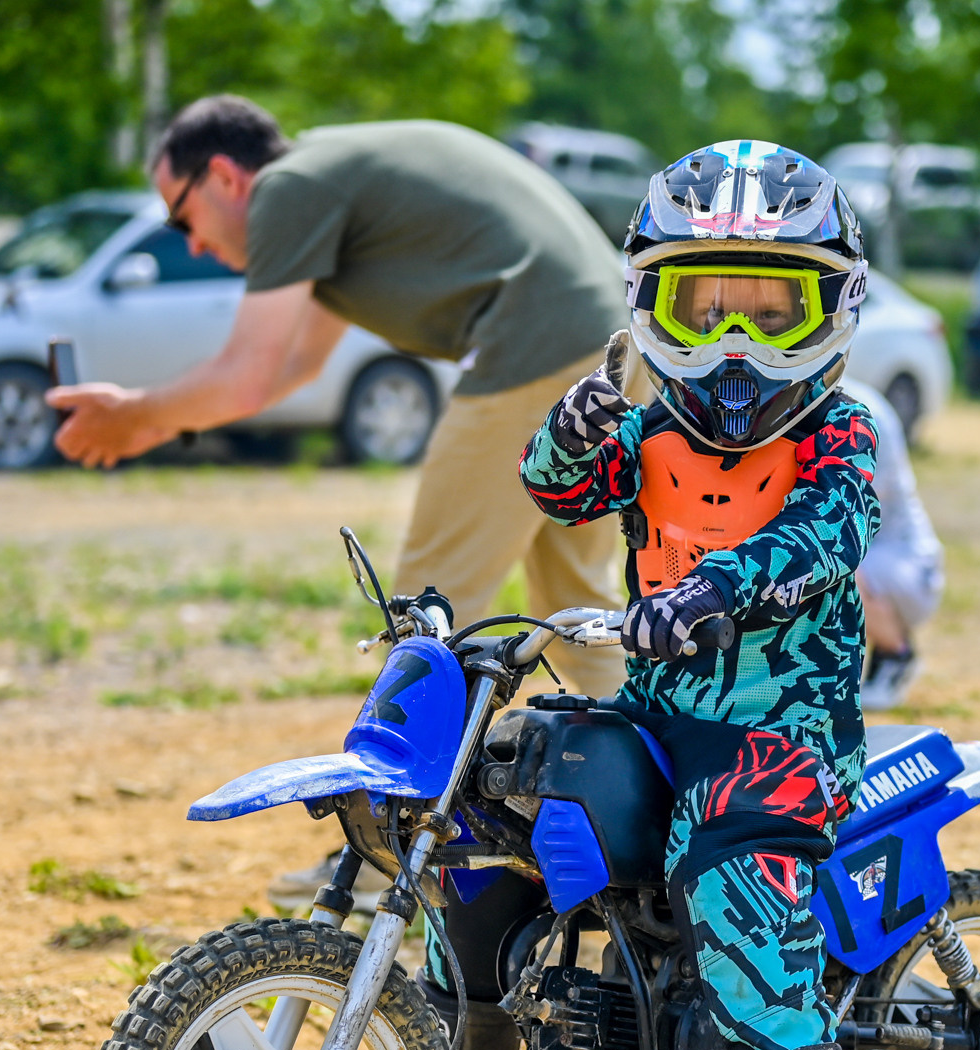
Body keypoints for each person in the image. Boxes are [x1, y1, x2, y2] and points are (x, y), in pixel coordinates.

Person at [517, 141, 890, 1050]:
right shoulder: (649, 432)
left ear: (832, 307)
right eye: (703, 306)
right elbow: (556, 490)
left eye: (771, 312)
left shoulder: (840, 432)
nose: (735, 345)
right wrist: (573, 426)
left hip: (780, 736)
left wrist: (718, 588)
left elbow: (826, 532)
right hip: (654, 704)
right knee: (512, 800)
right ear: (650, 305)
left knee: (729, 883)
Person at [47, 95, 629, 697]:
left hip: (533, 349)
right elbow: (292, 368)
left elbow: (247, 373)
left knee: (433, 610)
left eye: (181, 217)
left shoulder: (287, 188)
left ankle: (403, 761)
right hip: (611, 346)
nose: (191, 245)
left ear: (222, 176)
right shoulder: (323, 181)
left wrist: (130, 410)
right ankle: (646, 749)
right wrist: (152, 425)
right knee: (576, 607)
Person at [845, 379, 942, 711]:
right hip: (879, 557)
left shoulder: (861, 407)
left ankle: (897, 654)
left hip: (909, 565)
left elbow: (867, 493)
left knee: (832, 566)